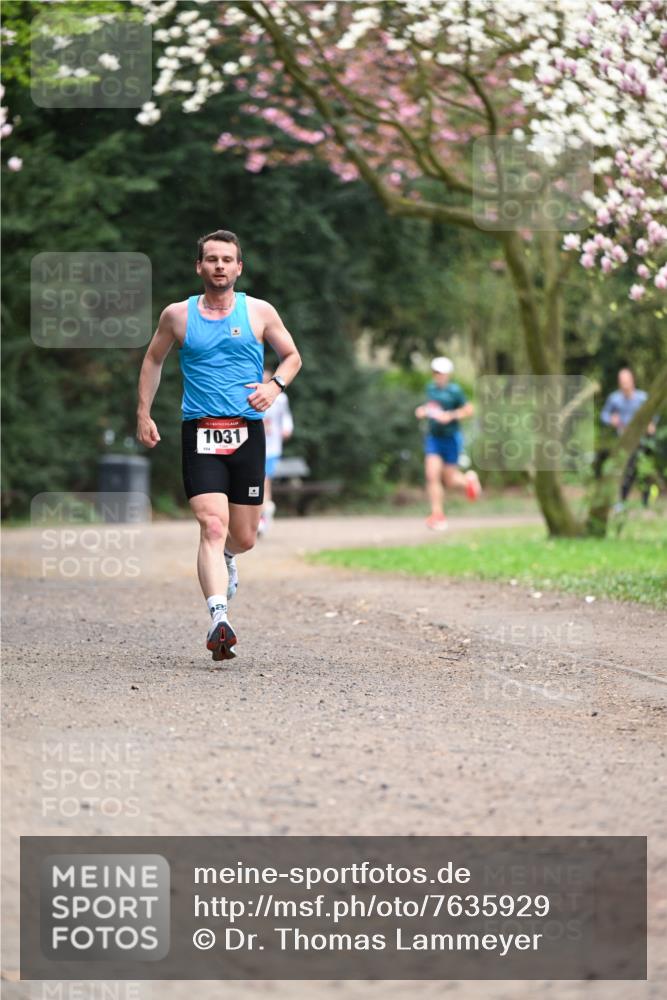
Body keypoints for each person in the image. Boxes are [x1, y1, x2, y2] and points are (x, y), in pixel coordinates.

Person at [136, 229, 302, 660]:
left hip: (248, 431)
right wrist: (143, 412)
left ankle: (230, 556)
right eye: (212, 259)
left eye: (227, 259)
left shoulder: (260, 311)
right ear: (200, 266)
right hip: (201, 430)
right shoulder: (178, 315)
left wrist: (275, 386)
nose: (220, 266)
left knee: (243, 537)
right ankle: (219, 618)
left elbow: (293, 356)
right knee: (211, 523)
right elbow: (153, 359)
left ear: (238, 267)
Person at [415, 356, 481, 531]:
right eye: (436, 372)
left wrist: (451, 416)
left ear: (448, 374)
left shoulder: (455, 391)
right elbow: (432, 408)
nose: (439, 376)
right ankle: (437, 514)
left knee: (450, 480)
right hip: (434, 438)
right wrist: (423, 411)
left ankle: (468, 481)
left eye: (442, 373)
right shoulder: (430, 389)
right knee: (431, 475)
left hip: (451, 439)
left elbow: (469, 410)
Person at [600, 366, 656, 507]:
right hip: (623, 440)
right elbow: (604, 415)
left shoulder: (642, 398)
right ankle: (622, 502)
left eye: (626, 381)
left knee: (644, 471)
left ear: (632, 381)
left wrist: (651, 424)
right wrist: (611, 420)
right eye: (621, 381)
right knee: (626, 472)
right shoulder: (614, 399)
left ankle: (646, 503)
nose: (624, 384)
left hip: (642, 441)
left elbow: (654, 416)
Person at [258, 367, 294, 536]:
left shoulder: (280, 399)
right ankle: (265, 510)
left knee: (264, 480)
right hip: (254, 446)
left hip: (271, 448)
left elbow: (286, 418)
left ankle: (263, 515)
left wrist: (286, 429)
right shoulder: (250, 394)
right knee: (260, 482)